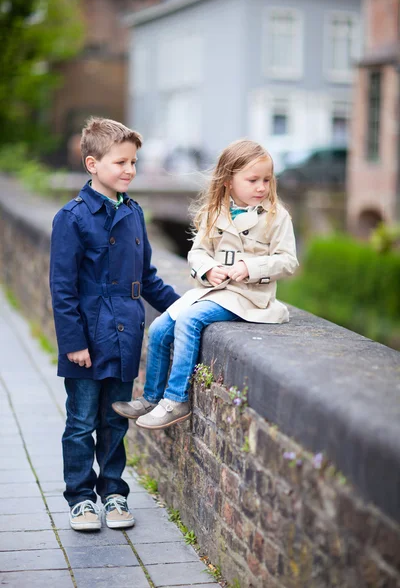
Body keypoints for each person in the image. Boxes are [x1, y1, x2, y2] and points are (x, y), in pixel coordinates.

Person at [112, 139, 299, 430]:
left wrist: (248, 267)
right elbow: (198, 252)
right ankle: (151, 398)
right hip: (214, 291)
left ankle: (176, 400)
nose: (261, 187)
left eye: (266, 180)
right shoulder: (216, 212)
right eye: (252, 180)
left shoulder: (276, 217)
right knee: (160, 328)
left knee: (189, 320)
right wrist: (208, 269)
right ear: (228, 181)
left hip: (247, 298)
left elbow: (288, 261)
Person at [49, 117, 180, 531]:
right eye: (120, 162)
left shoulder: (135, 214)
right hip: (87, 339)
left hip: (126, 336)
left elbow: (147, 279)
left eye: (134, 162)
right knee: (81, 421)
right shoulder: (71, 218)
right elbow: (62, 288)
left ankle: (113, 493)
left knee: (114, 420)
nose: (129, 170)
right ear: (92, 164)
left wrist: (182, 308)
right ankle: (81, 498)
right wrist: (73, 343)